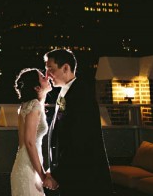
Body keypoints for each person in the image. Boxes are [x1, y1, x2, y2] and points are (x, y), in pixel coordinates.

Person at [43, 48, 113, 196]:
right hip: (74, 174)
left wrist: (58, 174)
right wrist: (53, 168)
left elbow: (79, 141)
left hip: (85, 178)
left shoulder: (81, 94)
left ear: (66, 68)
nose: (47, 75)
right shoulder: (66, 92)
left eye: (50, 69)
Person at [10, 68, 53, 196]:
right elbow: (29, 142)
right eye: (42, 77)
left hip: (26, 166)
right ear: (37, 87)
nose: (47, 77)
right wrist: (43, 176)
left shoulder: (28, 105)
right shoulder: (34, 105)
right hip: (28, 170)